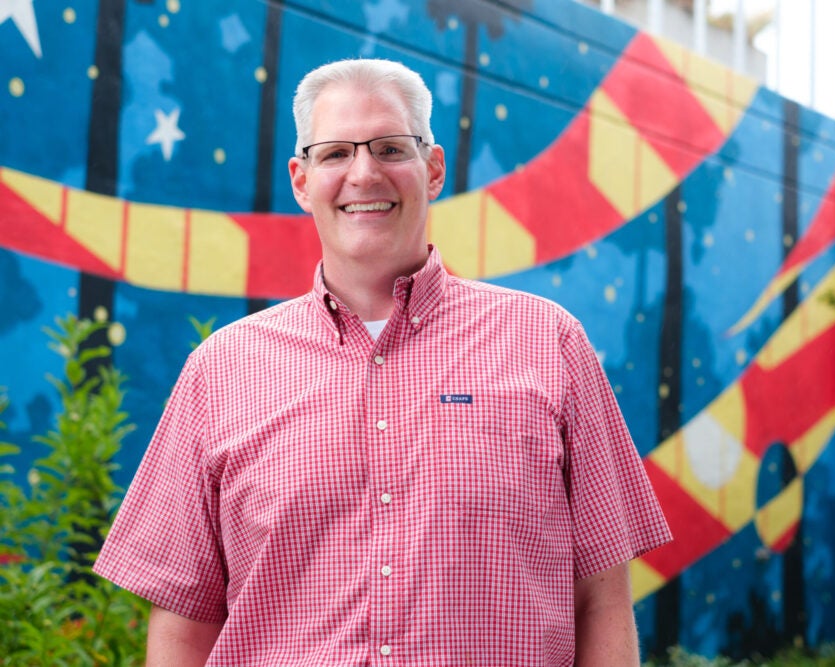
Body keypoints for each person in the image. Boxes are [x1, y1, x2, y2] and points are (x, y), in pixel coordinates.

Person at [94, 58, 672, 666]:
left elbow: (601, 600)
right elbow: (188, 619)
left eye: (391, 147)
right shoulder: (219, 371)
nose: (364, 174)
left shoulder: (549, 344)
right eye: (336, 153)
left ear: (434, 168)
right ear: (301, 179)